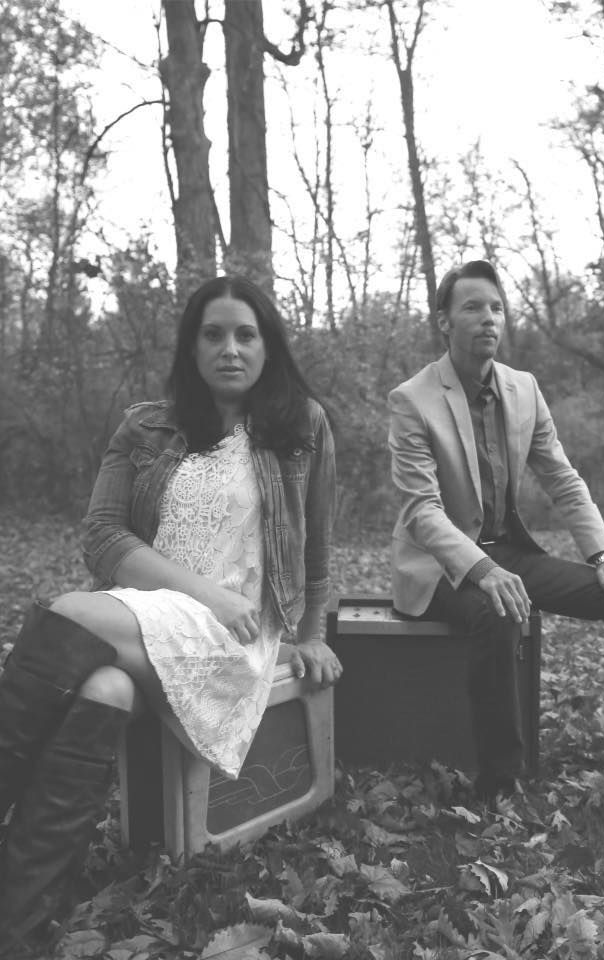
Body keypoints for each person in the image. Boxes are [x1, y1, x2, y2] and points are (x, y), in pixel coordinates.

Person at [0, 276, 341, 950]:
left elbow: (318, 549)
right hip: (158, 610)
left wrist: (312, 636)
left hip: (236, 633)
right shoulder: (146, 425)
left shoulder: (302, 425)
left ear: (268, 346)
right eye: (213, 334)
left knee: (67, 613)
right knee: (105, 686)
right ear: (191, 347)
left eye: (246, 335)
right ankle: (22, 916)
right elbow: (103, 538)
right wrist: (202, 592)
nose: (230, 348)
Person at [388, 259, 604, 802]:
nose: (489, 318)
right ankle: (500, 780)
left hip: (509, 552)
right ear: (444, 321)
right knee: (497, 609)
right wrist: (483, 570)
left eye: (496, 307)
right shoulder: (412, 399)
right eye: (473, 307)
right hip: (440, 566)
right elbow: (422, 510)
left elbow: (563, 480)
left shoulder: (524, 389)